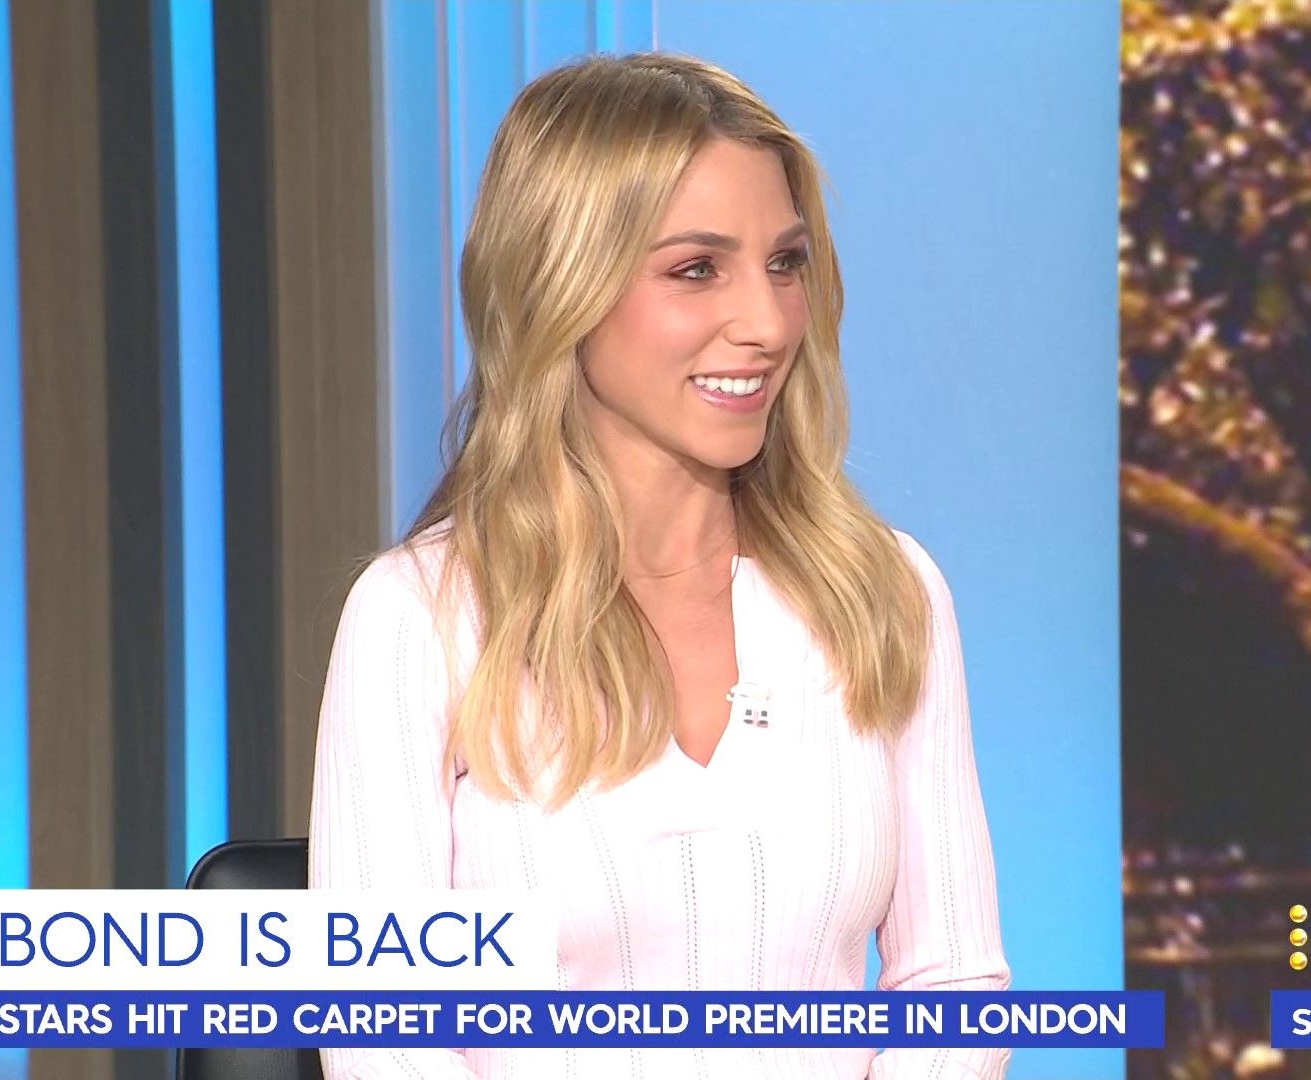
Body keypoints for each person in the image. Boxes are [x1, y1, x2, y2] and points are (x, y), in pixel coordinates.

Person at [309, 51, 1010, 1079]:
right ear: (561, 284)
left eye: (786, 264)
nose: (766, 324)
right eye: (696, 269)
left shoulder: (884, 593)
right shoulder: (420, 616)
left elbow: (953, 985)